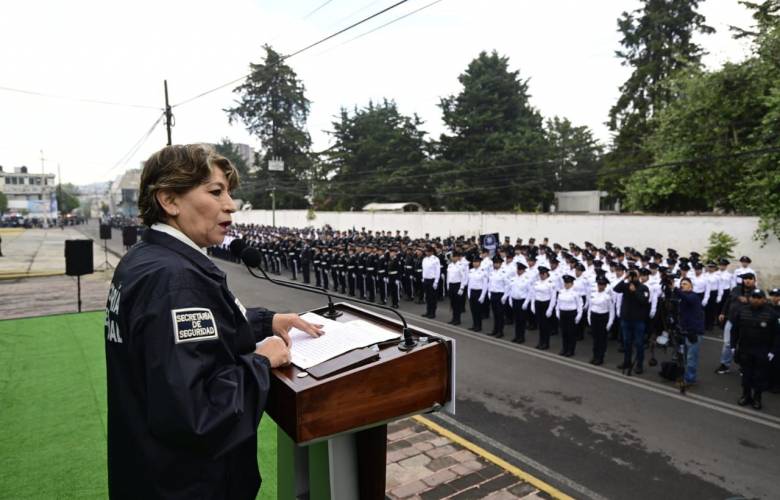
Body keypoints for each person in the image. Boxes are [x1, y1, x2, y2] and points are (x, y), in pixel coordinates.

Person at [104, 144, 323, 500]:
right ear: (169, 200)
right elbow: (198, 416)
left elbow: (191, 339)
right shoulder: (175, 279)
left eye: (230, 193)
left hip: (151, 472)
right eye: (216, 191)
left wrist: (266, 323)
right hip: (189, 485)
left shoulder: (147, 258)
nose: (231, 205)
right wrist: (261, 362)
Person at [730, 289, 780, 410]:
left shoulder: (772, 314)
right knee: (746, 374)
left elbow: (777, 335)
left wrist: (773, 351)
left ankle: (757, 398)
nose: (755, 300)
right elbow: (734, 330)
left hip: (762, 351)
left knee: (759, 376)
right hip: (745, 349)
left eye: (758, 297)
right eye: (754, 297)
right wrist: (732, 346)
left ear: (763, 299)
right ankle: (746, 395)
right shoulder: (742, 311)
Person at [613, 270, 651, 374]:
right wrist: (625, 278)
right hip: (626, 319)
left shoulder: (643, 288)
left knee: (639, 343)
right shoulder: (626, 286)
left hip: (638, 321)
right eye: (631, 275)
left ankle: (639, 365)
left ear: (638, 277)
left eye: (634, 275)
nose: (632, 277)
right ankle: (627, 361)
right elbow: (615, 289)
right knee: (627, 342)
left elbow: (644, 301)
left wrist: (635, 291)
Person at [674, 278, 705, 386]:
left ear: (691, 286)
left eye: (685, 284)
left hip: (694, 332)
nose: (682, 286)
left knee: (691, 358)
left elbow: (687, 300)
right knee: (686, 357)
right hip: (685, 331)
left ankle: (689, 380)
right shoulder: (682, 298)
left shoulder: (694, 296)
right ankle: (687, 376)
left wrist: (675, 288)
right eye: (681, 284)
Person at [587, 276, 614, 365]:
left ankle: (600, 357)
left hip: (603, 318)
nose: (600, 286)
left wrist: (609, 323)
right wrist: (589, 318)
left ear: (605, 286)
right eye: (599, 284)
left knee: (602, 339)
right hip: (594, 317)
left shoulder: (608, 297)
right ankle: (594, 356)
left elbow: (611, 311)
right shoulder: (593, 294)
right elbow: (590, 307)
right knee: (595, 339)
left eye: (602, 284)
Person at [556, 274, 583, 357]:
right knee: (564, 332)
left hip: (571, 314)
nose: (566, 284)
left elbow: (580, 306)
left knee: (571, 333)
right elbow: (558, 303)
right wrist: (557, 312)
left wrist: (578, 316)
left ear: (572, 284)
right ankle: (564, 348)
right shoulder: (561, 292)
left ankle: (571, 350)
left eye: (568, 283)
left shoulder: (576, 294)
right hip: (563, 313)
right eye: (565, 283)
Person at [466, 257, 488, 332]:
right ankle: (474, 325)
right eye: (474, 262)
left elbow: (485, 285)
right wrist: (468, 293)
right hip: (472, 292)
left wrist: (482, 296)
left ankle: (479, 326)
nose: (475, 263)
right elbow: (469, 283)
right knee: (473, 310)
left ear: (479, 263)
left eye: (476, 262)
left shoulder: (483, 272)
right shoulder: (471, 271)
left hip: (479, 292)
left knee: (478, 311)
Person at [421, 245, 441, 318]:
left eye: (428, 251)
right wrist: (423, 278)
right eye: (426, 251)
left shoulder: (436, 259)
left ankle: (433, 313)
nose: (427, 253)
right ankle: (428, 311)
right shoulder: (425, 259)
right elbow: (424, 270)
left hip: (432, 280)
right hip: (426, 280)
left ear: (432, 252)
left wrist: (436, 281)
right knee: (427, 297)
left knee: (433, 298)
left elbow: (438, 271)